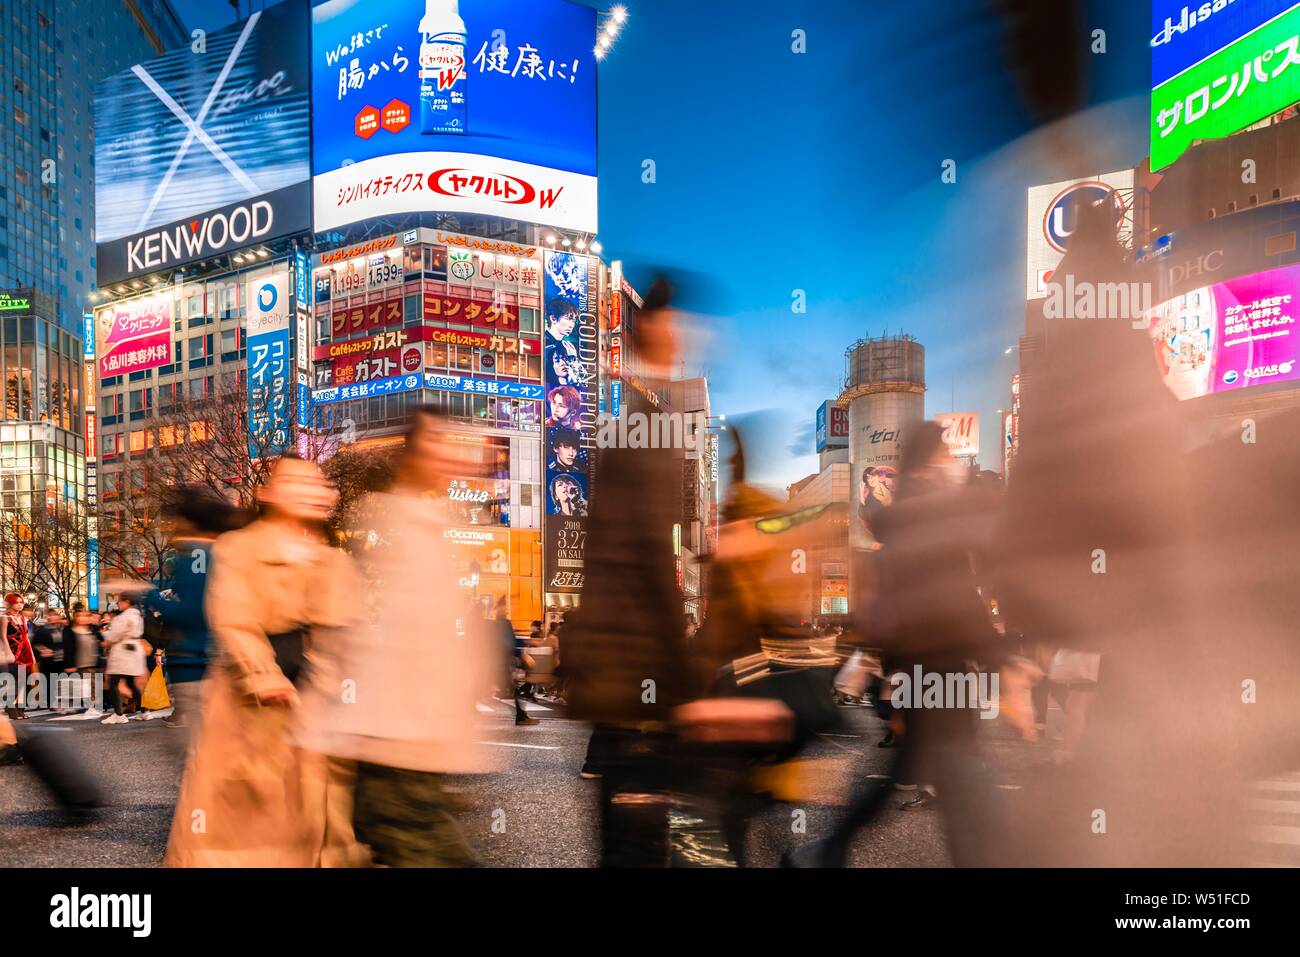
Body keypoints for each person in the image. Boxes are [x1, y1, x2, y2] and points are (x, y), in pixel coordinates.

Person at [298, 407, 501, 866]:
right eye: (438, 442)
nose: (451, 454)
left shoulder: (422, 524)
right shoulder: (390, 527)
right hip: (391, 738)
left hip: (412, 743)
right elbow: (371, 634)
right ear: (413, 453)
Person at [165, 455, 365, 867]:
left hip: (316, 702)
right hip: (250, 706)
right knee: (246, 819)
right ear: (267, 494)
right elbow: (234, 618)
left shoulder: (333, 558)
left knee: (319, 814)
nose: (311, 491)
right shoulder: (240, 547)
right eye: (296, 482)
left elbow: (344, 632)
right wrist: (263, 675)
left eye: (318, 484)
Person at [561, 276, 695, 866]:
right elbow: (647, 560)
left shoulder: (640, 423)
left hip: (622, 671)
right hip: (635, 669)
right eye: (676, 327)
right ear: (656, 334)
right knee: (639, 846)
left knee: (630, 843)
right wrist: (683, 675)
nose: (683, 340)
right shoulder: (648, 429)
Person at [153, 487, 244, 746]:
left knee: (201, 750)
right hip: (220, 655)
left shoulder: (195, 554)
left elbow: (191, 611)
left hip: (195, 659)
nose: (172, 532)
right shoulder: (225, 552)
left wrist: (148, 596)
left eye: (175, 523)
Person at [101, 593, 148, 725]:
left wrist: (106, 643)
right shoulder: (138, 616)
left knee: (113, 682)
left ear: (127, 602)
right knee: (132, 682)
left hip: (123, 650)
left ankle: (118, 714)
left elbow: (113, 636)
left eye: (119, 602)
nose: (118, 604)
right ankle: (144, 711)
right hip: (135, 649)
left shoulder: (123, 617)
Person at [3, 594, 35, 719]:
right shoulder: (4, 618)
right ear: (9, 603)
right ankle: (12, 710)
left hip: (23, 653)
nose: (20, 605)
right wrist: (9, 653)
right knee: (13, 682)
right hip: (11, 653)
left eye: (21, 602)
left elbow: (26, 637)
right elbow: (3, 637)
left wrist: (31, 654)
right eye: (17, 602)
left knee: (23, 681)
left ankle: (20, 709)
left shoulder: (22, 618)